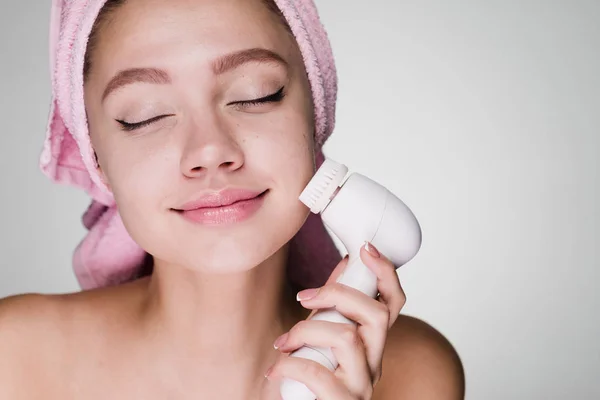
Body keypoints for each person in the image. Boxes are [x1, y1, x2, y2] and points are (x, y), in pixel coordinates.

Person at [0, 0, 465, 398]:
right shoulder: (14, 361)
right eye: (145, 116)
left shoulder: (416, 373)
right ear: (94, 155)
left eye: (256, 94)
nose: (210, 152)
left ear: (316, 111)